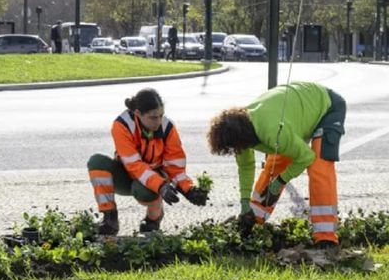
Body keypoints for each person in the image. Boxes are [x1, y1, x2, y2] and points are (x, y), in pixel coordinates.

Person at [207, 81, 346, 247]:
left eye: (235, 148)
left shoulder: (273, 132)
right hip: (295, 113)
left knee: (319, 167)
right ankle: (253, 219)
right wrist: (244, 202)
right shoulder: (239, 129)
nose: (236, 151)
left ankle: (326, 237)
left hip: (326, 107)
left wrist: (280, 182)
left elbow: (306, 157)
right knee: (276, 164)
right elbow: (245, 167)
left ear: (241, 139)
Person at [87, 87, 208, 235]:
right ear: (137, 113)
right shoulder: (122, 125)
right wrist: (161, 186)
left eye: (161, 115)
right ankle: (109, 218)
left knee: (146, 192)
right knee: (97, 162)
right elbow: (133, 165)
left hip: (154, 176)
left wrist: (189, 190)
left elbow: (175, 166)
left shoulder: (167, 127)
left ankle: (153, 219)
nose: (158, 121)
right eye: (153, 117)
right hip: (126, 174)